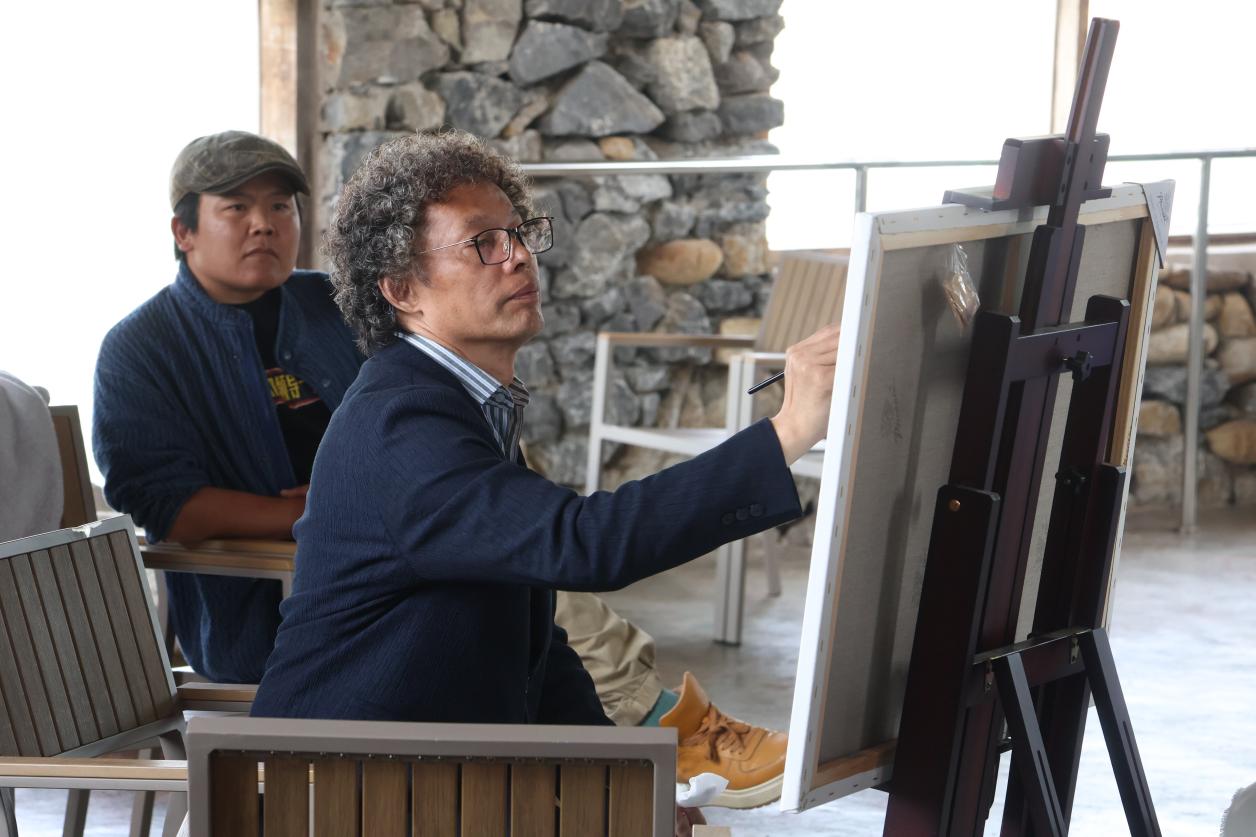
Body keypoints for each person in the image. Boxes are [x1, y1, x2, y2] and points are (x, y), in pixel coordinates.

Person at [93, 130, 800, 806]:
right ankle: (676, 732)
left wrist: (619, 780)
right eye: (482, 243)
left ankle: (660, 737)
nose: (518, 258)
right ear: (402, 291)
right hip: (338, 795)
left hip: (421, 776)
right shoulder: (403, 420)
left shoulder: (464, 395)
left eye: (519, 234)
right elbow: (586, 542)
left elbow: (535, 645)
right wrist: (791, 430)